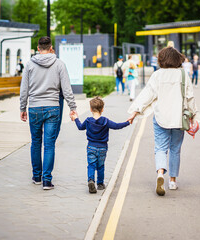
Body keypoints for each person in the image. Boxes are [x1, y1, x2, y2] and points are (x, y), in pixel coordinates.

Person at [127, 47, 200, 196]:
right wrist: (195, 117)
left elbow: (147, 94)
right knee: (175, 149)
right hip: (179, 119)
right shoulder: (183, 74)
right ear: (177, 58)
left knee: (160, 148)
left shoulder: (157, 75)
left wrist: (135, 111)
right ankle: (172, 181)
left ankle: (160, 173)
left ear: (161, 59)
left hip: (161, 118)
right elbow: (190, 98)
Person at [20, 36, 77, 190]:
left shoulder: (30, 65)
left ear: (38, 48)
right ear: (51, 48)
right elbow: (66, 89)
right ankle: (46, 181)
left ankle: (36, 176)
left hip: (35, 108)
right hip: (52, 107)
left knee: (36, 142)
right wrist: (72, 107)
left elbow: (24, 89)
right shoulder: (59, 64)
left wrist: (22, 108)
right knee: (49, 145)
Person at [71, 96, 130, 193]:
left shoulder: (88, 120)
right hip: (102, 148)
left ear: (90, 109)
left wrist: (76, 118)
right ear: (102, 109)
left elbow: (80, 127)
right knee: (100, 166)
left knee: (91, 165)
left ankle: (91, 180)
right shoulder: (105, 121)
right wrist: (127, 122)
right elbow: (116, 126)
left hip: (91, 147)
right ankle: (100, 184)